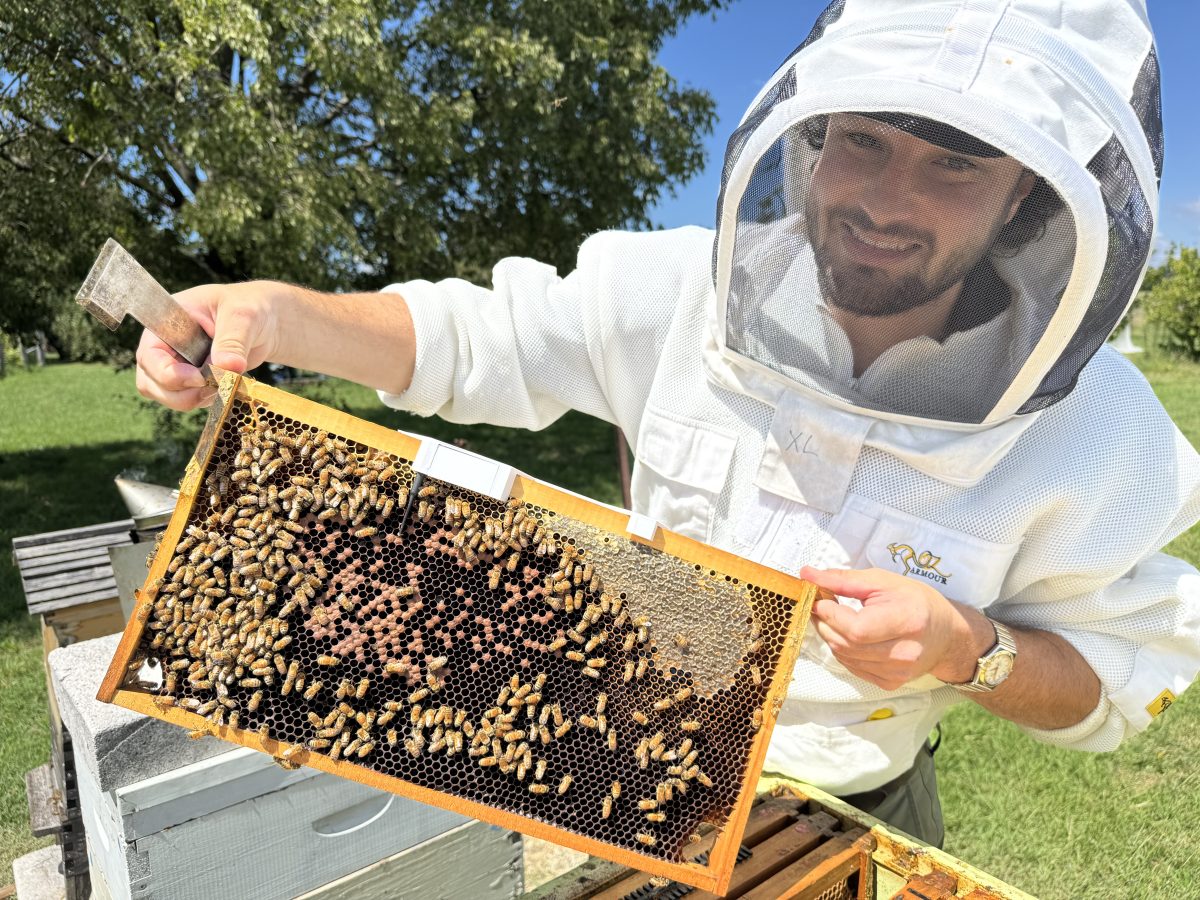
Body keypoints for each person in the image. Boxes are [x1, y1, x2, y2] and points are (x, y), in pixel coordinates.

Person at [135, 0, 1200, 848]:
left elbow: (1117, 676)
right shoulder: (681, 288)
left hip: (854, 813)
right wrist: (282, 316)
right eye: (861, 141)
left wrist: (973, 649)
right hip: (611, 767)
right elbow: (476, 339)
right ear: (809, 135)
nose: (884, 198)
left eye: (955, 164)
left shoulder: (1099, 436)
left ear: (1032, 197)